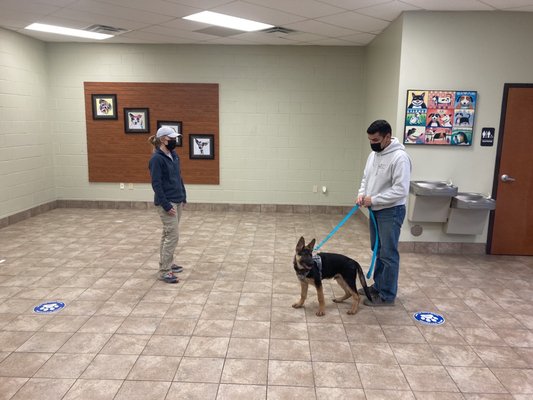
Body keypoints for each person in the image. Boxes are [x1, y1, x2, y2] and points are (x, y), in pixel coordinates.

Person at [356, 120, 412, 306]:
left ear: (387, 137)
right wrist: (361, 195)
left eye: (376, 139)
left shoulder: (399, 158)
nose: (372, 143)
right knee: (377, 250)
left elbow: (401, 190)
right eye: (370, 140)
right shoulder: (374, 154)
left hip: (391, 211)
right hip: (375, 210)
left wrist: (375, 199)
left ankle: (387, 295)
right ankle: (378, 286)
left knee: (388, 253)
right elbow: (366, 178)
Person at [148, 126, 187, 284]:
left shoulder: (174, 155)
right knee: (172, 236)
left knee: (168, 234)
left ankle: (168, 263)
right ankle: (164, 271)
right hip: (167, 202)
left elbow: (179, 177)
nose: (175, 141)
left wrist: (183, 195)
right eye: (172, 138)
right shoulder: (156, 159)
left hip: (177, 199)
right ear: (164, 139)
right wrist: (166, 205)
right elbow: (156, 184)